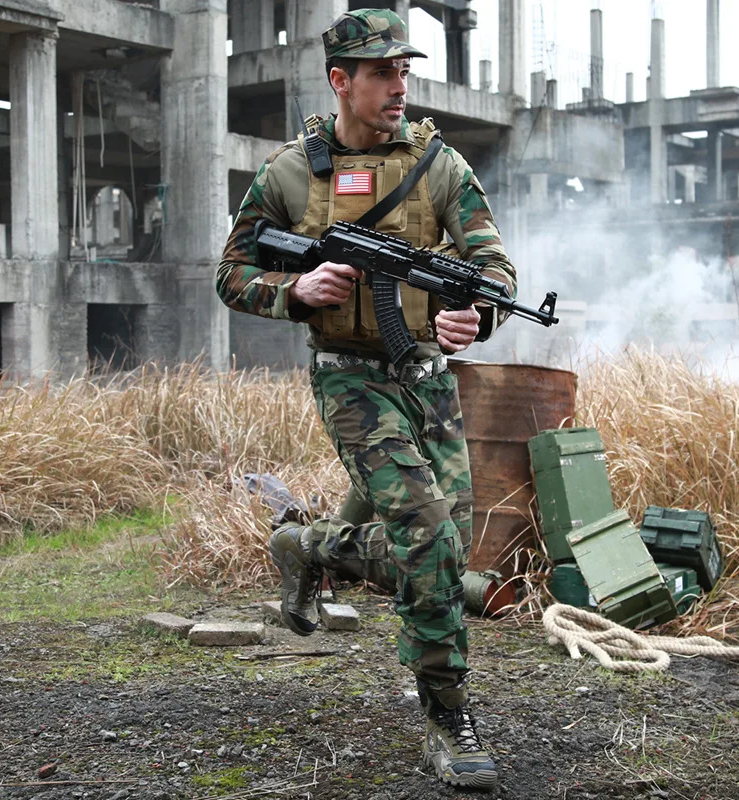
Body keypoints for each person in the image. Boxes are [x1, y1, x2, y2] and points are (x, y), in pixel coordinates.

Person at [216, 8, 517, 790]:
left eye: (404, 71)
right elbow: (232, 274)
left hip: (426, 376)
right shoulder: (288, 173)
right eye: (382, 72)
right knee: (427, 539)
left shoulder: (439, 164)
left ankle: (308, 547)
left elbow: (492, 266)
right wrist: (296, 290)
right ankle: (448, 718)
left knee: (445, 550)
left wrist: (474, 313)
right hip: (349, 376)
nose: (399, 86)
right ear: (340, 81)